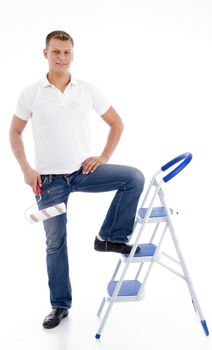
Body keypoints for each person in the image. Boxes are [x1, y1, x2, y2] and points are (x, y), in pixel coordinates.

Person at [9, 30, 145, 329]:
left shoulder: (88, 90)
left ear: (73, 54)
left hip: (83, 173)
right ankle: (60, 305)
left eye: (66, 52)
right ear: (45, 53)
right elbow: (15, 132)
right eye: (56, 51)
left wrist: (104, 156)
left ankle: (110, 237)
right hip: (48, 182)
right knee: (55, 243)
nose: (62, 57)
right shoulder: (31, 93)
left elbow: (116, 123)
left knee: (133, 178)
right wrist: (26, 169)